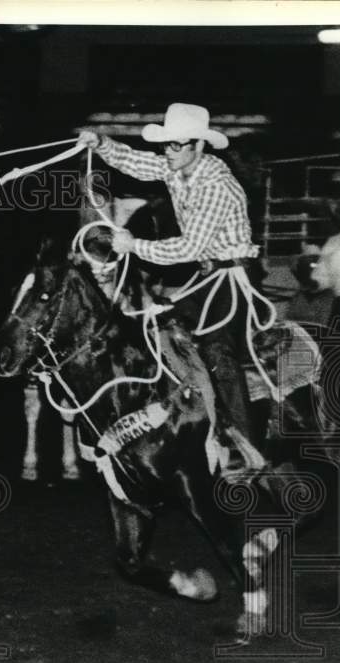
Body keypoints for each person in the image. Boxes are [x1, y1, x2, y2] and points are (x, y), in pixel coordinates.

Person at [79, 102, 263, 449]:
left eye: (176, 145)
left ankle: (246, 445)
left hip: (234, 276)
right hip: (208, 276)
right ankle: (180, 413)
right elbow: (138, 163)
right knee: (159, 330)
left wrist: (134, 245)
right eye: (167, 144)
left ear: (199, 145)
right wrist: (102, 144)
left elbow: (189, 248)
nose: (168, 151)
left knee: (217, 350)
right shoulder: (177, 167)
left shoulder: (217, 185)